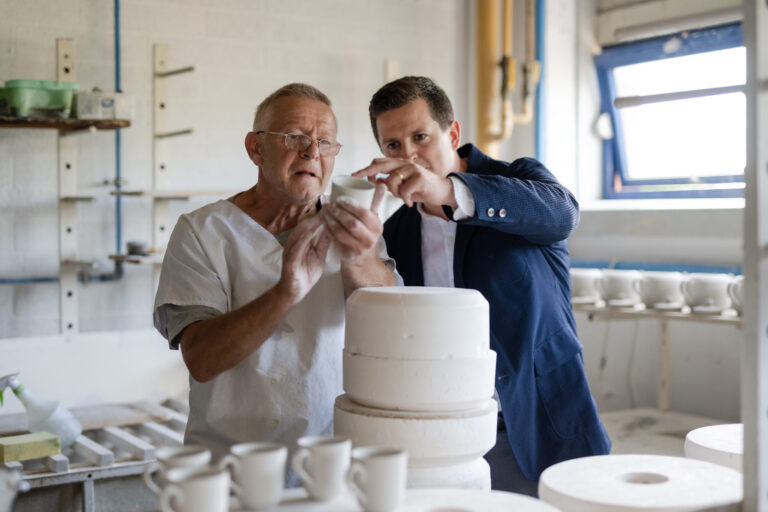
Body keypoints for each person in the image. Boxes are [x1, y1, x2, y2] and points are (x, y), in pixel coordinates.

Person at [354, 76, 611, 496]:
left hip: (542, 418)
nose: (409, 156)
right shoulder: (395, 232)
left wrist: (446, 190)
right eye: (393, 145)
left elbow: (564, 215)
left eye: (420, 137)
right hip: (447, 430)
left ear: (453, 134)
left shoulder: (519, 180)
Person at [153, 83, 397, 484]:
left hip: (330, 467)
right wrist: (286, 293)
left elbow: (392, 328)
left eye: (324, 142)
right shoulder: (204, 231)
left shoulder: (353, 226)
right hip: (230, 472)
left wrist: (360, 255)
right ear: (256, 148)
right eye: (295, 137)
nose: (312, 152)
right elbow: (202, 359)